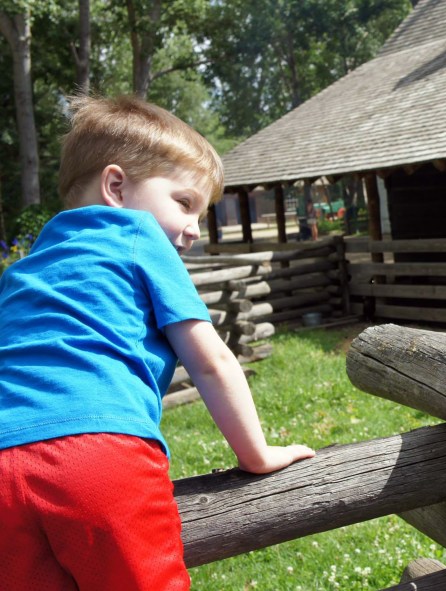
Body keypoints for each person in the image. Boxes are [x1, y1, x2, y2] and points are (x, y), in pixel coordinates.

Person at [0, 95, 315, 590]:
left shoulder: (24, 270)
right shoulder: (136, 234)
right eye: (184, 203)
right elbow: (210, 361)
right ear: (117, 187)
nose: (193, 228)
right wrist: (256, 455)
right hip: (98, 455)